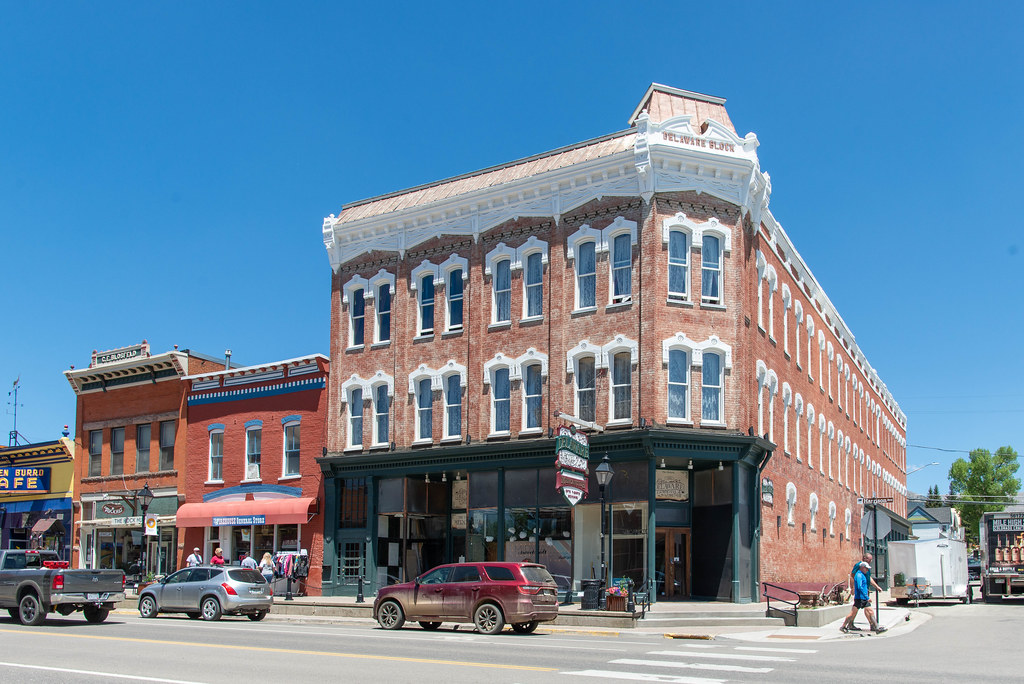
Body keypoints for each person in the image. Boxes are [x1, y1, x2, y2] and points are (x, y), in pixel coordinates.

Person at [841, 562, 886, 634]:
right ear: (862, 568)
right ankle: (843, 626)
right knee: (853, 613)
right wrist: (866, 597)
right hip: (860, 598)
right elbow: (859, 587)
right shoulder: (859, 575)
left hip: (863, 598)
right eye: (866, 568)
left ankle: (877, 627)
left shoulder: (862, 575)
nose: (867, 570)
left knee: (870, 611)